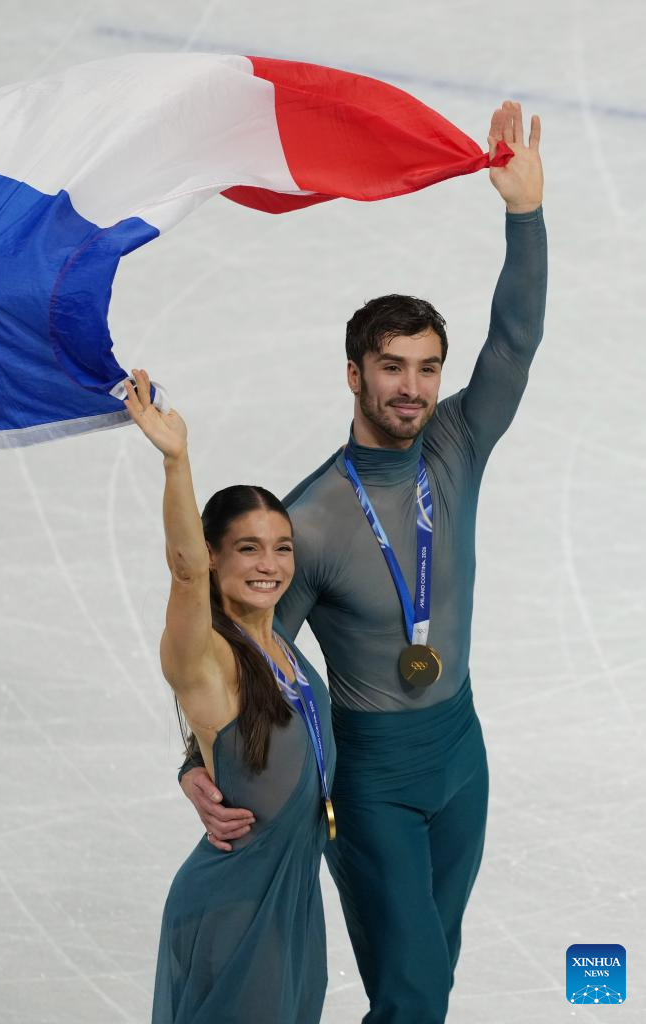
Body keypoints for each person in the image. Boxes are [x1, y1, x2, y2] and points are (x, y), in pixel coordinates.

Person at [179, 100, 546, 1023]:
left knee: (427, 982)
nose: (412, 388)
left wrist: (524, 214)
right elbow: (246, 644)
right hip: (372, 775)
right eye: (391, 367)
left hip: (462, 754)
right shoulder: (310, 517)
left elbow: (513, 344)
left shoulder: (456, 444)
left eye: (426, 368)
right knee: (414, 992)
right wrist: (193, 754)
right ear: (354, 373)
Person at [122, 368, 337, 1024]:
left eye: (280, 548)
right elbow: (183, 572)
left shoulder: (286, 652)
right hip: (235, 907)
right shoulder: (207, 659)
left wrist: (191, 767)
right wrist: (176, 461)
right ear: (215, 557)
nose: (268, 564)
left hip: (293, 902)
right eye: (246, 548)